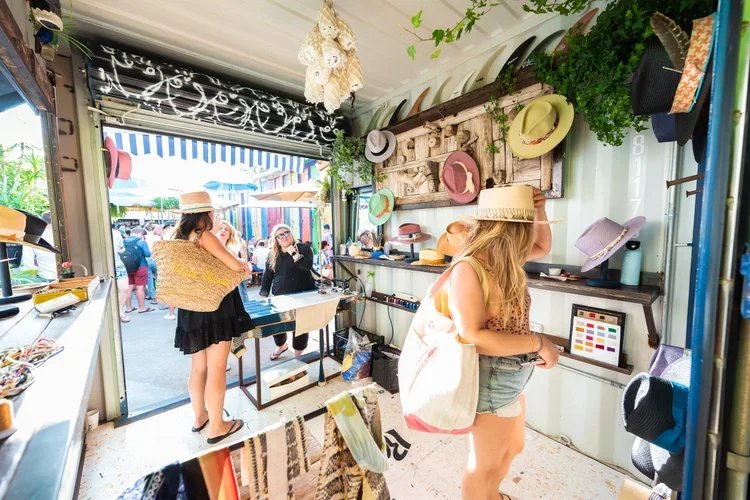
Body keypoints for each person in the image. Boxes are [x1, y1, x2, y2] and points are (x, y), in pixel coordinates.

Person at [442, 186, 559, 499]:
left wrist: (539, 209)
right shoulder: (469, 267)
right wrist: (537, 342)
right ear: (510, 230)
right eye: (523, 228)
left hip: (510, 374)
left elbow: (542, 245)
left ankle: (492, 494)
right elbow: (474, 337)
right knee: (483, 465)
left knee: (512, 448)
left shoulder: (503, 256)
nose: (527, 240)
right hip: (491, 379)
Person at [170, 191, 252, 444]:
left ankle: (201, 417)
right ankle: (217, 425)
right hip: (215, 308)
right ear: (204, 213)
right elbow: (236, 265)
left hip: (191, 309)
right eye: (212, 211)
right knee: (217, 368)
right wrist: (244, 265)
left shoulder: (179, 237)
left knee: (198, 367)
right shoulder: (204, 236)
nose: (214, 215)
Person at [260, 224, 316, 360]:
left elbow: (306, 266)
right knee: (277, 326)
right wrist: (264, 294)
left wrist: (294, 253)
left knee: (300, 327)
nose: (284, 236)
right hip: (280, 297)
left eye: (287, 232)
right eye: (280, 235)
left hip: (303, 295)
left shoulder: (304, 248)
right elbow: (267, 276)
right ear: (276, 239)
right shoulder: (272, 254)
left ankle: (297, 357)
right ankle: (282, 346)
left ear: (291, 234)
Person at [122, 227, 153, 313]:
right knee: (140, 288)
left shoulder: (124, 241)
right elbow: (148, 254)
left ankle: (128, 307)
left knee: (129, 287)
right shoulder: (141, 242)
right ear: (140, 234)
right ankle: (142, 308)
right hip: (141, 267)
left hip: (127, 267)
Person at [19, 212, 57, 280]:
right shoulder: (66, 234)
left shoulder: (32, 238)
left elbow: (28, 265)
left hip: (46, 278)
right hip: (70, 275)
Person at [111, 224, 131, 323]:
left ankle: (118, 311)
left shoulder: (116, 233)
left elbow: (122, 249)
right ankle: (117, 311)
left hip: (117, 263)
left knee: (125, 288)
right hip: (104, 265)